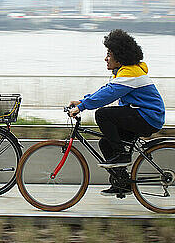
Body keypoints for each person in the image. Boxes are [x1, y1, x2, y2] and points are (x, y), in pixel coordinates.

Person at [68, 29, 165, 196]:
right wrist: (83, 101)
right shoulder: (125, 72)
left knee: (102, 114)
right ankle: (122, 183)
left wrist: (83, 107)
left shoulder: (131, 73)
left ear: (119, 56)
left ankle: (122, 155)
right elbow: (107, 90)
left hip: (148, 117)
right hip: (140, 115)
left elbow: (108, 94)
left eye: (109, 54)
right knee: (105, 143)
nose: (105, 58)